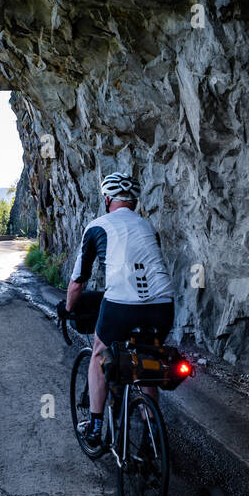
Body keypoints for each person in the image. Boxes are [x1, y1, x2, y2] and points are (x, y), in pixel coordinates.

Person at [63, 171, 174, 448]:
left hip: (121, 305)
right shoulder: (149, 228)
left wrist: (67, 309)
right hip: (163, 305)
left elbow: (78, 282)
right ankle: (152, 433)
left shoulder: (96, 227)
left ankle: (96, 425)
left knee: (99, 354)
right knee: (146, 359)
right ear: (134, 202)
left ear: (107, 199)